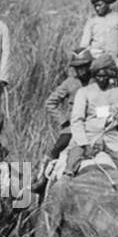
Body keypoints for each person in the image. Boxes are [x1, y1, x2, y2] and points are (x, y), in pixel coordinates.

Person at [32, 47, 94, 196]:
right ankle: (42, 180)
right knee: (58, 147)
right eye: (78, 68)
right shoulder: (70, 83)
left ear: (90, 65)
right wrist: (64, 121)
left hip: (94, 125)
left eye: (84, 66)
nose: (82, 71)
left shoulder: (97, 81)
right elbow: (50, 102)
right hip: (73, 127)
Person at [65, 55, 118, 177]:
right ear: (94, 75)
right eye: (98, 76)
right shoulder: (84, 92)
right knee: (69, 169)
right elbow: (77, 121)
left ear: (110, 75)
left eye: (104, 76)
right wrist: (84, 144)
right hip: (88, 137)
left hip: (112, 140)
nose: (101, 79)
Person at [79, 0, 118, 78]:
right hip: (95, 64)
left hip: (115, 64)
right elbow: (84, 46)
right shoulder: (91, 22)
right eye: (95, 6)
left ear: (107, 4)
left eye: (100, 5)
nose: (97, 8)